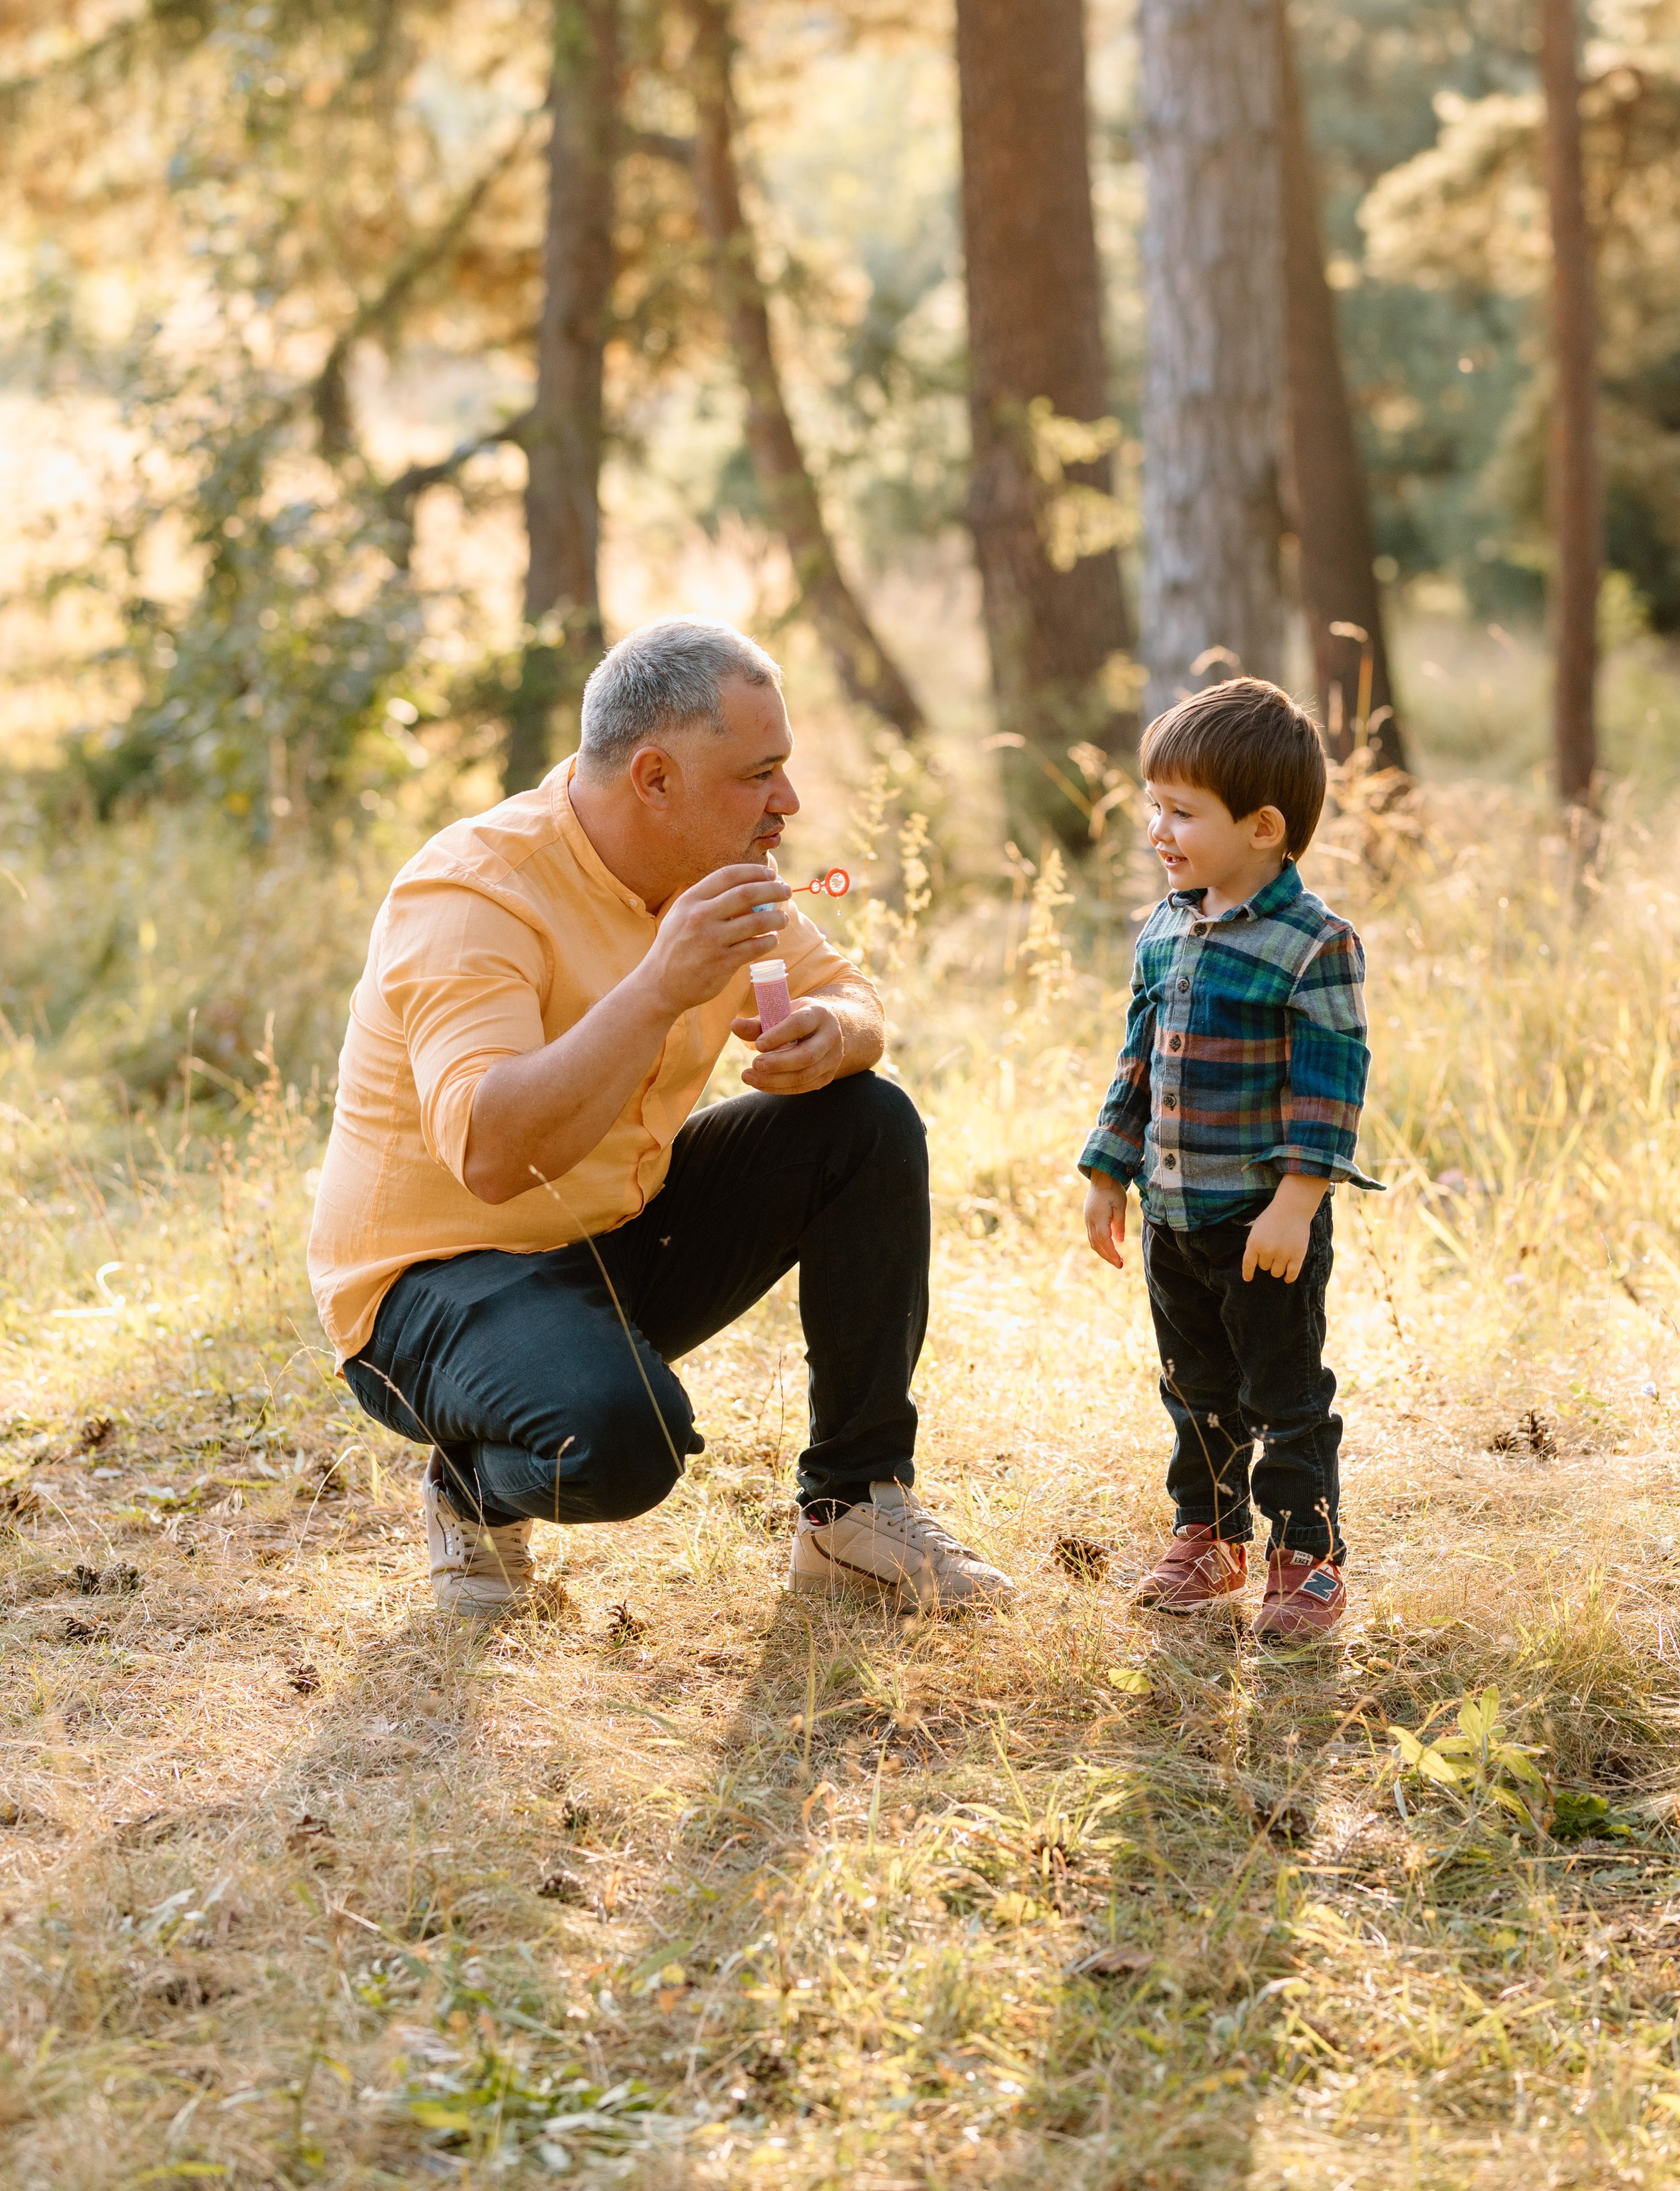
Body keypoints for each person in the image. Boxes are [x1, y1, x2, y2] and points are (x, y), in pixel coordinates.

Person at [309, 618, 1011, 1620]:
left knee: (867, 1120)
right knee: (625, 1445)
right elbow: (493, 1154)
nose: (788, 802)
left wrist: (835, 1031)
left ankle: (854, 1508)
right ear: (654, 778)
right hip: (432, 1287)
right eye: (757, 774)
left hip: (609, 1239)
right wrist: (657, 987)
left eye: (786, 769)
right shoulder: (472, 893)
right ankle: (470, 1489)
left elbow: (851, 996)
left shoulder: (715, 873)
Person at [1078, 678, 1375, 1645]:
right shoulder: (1165, 925)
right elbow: (1138, 1060)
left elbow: (1330, 1084)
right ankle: (1209, 1535)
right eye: (1153, 806)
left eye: (1181, 812)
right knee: (1193, 1385)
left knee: (1282, 1392)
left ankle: (1308, 1555)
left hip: (1261, 1219)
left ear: (1262, 827)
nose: (1157, 829)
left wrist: (1296, 1204)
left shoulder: (1314, 944)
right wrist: (1106, 1172)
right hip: (1174, 1213)